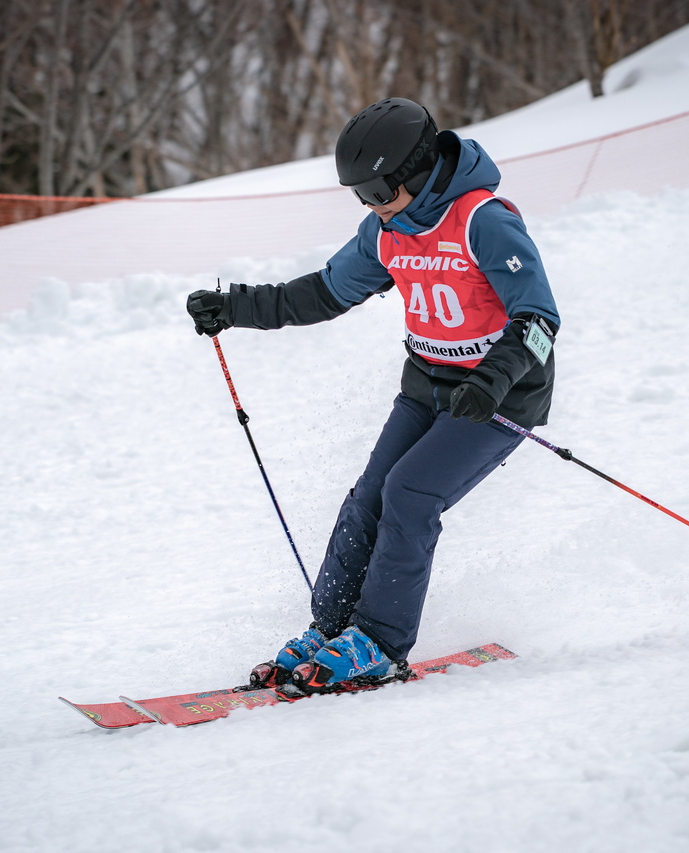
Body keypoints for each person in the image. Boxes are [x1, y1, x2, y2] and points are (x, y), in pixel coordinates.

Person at [185, 97, 560, 692]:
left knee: (409, 494)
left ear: (417, 170)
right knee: (368, 498)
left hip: (497, 396)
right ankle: (332, 629)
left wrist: (493, 379)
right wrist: (235, 307)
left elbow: (539, 319)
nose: (370, 204)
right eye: (359, 194)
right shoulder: (387, 230)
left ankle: (380, 644)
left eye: (378, 190)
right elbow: (322, 293)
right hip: (426, 384)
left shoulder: (483, 221)